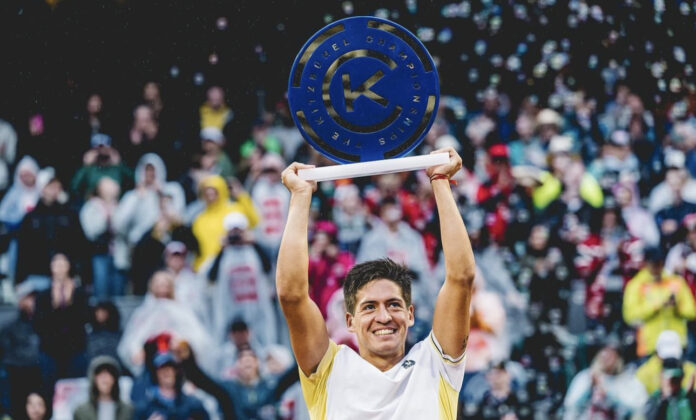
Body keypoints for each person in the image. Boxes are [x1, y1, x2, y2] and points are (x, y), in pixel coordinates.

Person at [276, 147, 474, 418]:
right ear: (349, 321)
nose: (384, 317)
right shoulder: (329, 370)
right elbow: (291, 295)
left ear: (410, 314)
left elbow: (461, 278)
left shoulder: (435, 365)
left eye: (393, 304)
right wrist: (300, 196)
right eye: (369, 307)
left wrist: (440, 181)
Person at [204, 211, 276, 347]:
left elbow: (269, 269)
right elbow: (210, 277)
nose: (236, 235)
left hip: (256, 310)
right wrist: (221, 249)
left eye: (239, 231)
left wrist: (255, 243)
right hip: (230, 311)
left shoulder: (255, 251)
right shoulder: (223, 254)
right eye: (232, 231)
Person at [623, 248, 696, 357]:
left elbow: (692, 312)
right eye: (654, 264)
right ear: (645, 263)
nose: (657, 267)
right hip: (650, 346)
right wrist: (656, 306)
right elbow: (630, 316)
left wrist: (677, 307)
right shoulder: (636, 285)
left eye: (660, 263)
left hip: (677, 345)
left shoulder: (677, 281)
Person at [191, 174, 258, 270]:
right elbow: (198, 250)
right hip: (208, 268)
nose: (210, 195)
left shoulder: (234, 209)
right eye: (207, 193)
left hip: (234, 264)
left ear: (221, 191)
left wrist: (241, 196)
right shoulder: (199, 220)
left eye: (214, 191)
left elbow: (254, 222)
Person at [562, 344, 647, 419]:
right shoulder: (585, 377)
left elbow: (638, 407)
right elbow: (570, 404)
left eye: (610, 356)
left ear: (618, 359)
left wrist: (607, 391)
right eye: (603, 355)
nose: (605, 359)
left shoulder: (628, 381)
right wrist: (589, 387)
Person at [0, 282, 42, 419]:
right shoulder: (9, 323)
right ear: (20, 300)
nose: (31, 303)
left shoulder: (40, 321)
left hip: (36, 373)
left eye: (33, 299)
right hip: (15, 375)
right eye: (28, 298)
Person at [134, 351, 209, 420]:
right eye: (162, 369)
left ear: (176, 372)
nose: (166, 372)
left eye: (170, 368)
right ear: (155, 374)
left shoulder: (193, 404)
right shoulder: (145, 407)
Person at [73, 356, 134, 420]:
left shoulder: (127, 411)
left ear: (114, 379)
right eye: (100, 374)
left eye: (109, 374)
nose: (104, 378)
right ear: (93, 379)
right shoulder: (81, 411)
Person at [636, 330, 696, 395]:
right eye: (665, 358)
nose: (669, 362)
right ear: (657, 354)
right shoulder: (644, 373)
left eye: (673, 357)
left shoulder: (692, 371)